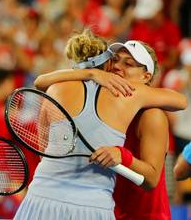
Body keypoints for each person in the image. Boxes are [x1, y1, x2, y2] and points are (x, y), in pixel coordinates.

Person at [14, 29, 186, 219]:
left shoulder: (151, 114)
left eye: (128, 64)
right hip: (109, 208)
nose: (118, 67)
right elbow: (41, 82)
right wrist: (91, 74)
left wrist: (121, 155)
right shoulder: (106, 97)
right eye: (115, 60)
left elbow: (151, 179)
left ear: (145, 78)